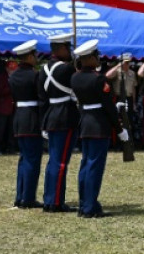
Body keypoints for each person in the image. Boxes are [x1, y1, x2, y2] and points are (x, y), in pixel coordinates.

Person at [71, 39, 128, 218]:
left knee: (85, 165)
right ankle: (90, 207)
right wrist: (120, 129)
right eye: (96, 56)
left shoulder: (75, 77)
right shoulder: (98, 79)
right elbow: (108, 108)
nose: (98, 58)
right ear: (89, 58)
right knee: (94, 167)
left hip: (85, 123)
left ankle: (83, 204)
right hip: (98, 125)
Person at [41, 32, 80, 213]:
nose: (70, 51)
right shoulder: (67, 69)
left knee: (53, 161)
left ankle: (49, 199)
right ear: (61, 48)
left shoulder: (43, 69)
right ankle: (56, 202)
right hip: (65, 116)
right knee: (61, 162)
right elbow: (79, 87)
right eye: (68, 48)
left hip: (51, 115)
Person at [9, 40, 45, 209]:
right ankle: (28, 198)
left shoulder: (13, 75)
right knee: (32, 160)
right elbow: (41, 98)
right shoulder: (35, 75)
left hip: (19, 118)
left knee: (23, 159)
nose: (36, 58)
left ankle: (20, 196)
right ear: (29, 57)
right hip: (32, 118)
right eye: (35, 55)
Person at [107, 52, 139, 148]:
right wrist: (118, 66)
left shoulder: (132, 73)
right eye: (125, 62)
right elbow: (107, 75)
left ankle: (127, 142)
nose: (127, 64)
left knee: (128, 121)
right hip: (119, 98)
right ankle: (118, 143)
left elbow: (133, 89)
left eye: (128, 62)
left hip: (128, 98)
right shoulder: (117, 71)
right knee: (119, 121)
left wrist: (133, 102)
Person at [0, 58, 16, 155]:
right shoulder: (1, 77)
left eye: (14, 68)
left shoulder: (16, 77)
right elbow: (0, 91)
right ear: (6, 68)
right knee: (0, 130)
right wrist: (11, 85)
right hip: (3, 107)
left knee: (12, 130)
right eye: (11, 68)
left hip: (13, 107)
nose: (12, 70)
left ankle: (11, 148)